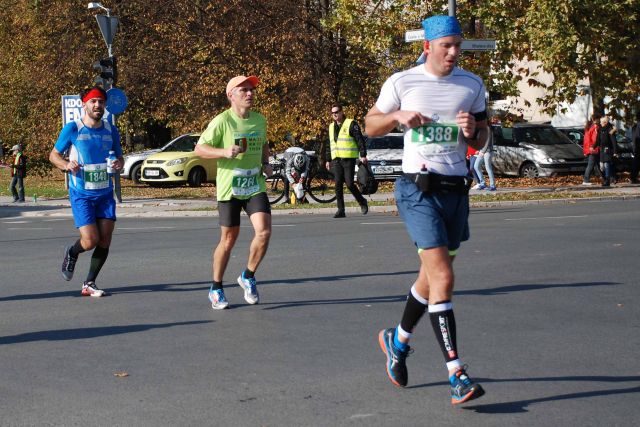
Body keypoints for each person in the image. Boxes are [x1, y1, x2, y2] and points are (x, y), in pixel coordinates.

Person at [365, 15, 488, 405]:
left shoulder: (472, 85)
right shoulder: (403, 82)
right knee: (444, 277)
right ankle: (457, 373)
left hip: (456, 190)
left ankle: (397, 341)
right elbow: (370, 125)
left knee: (431, 278)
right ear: (428, 48)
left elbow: (485, 137)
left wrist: (474, 132)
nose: (453, 53)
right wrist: (396, 117)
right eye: (446, 46)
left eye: (458, 46)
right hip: (417, 189)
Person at [194, 75, 273, 310]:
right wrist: (223, 151)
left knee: (264, 231)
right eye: (244, 90)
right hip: (230, 188)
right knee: (228, 240)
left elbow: (264, 143)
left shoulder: (259, 120)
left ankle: (248, 276)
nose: (250, 94)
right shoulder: (222, 121)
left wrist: (266, 162)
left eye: (251, 90)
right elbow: (199, 149)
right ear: (231, 96)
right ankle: (216, 287)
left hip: (254, 185)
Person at [49, 86, 123, 297]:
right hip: (82, 193)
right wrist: (65, 165)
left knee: (105, 239)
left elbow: (120, 158)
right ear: (84, 104)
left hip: (105, 193)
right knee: (90, 241)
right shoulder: (74, 128)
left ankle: (89, 282)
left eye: (101, 102)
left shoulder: (111, 130)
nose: (98, 105)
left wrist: (118, 163)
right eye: (93, 101)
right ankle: (72, 252)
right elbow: (53, 155)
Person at [325, 103, 369, 218]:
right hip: (336, 160)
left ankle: (362, 201)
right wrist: (328, 160)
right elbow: (329, 145)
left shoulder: (351, 124)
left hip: (348, 158)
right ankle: (341, 210)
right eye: (333, 113)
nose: (334, 114)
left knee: (349, 183)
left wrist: (363, 155)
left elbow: (360, 139)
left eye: (337, 112)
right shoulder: (331, 127)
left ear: (341, 112)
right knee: (338, 184)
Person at [593, 115, 617, 187]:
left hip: (607, 149)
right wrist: (593, 146)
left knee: (607, 164)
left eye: (601, 122)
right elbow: (598, 140)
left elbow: (613, 141)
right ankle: (609, 178)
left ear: (605, 122)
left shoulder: (610, 130)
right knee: (602, 166)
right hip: (601, 149)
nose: (600, 123)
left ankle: (607, 180)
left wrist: (615, 151)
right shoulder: (600, 129)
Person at [582, 113, 601, 185]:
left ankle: (606, 178)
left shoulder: (590, 127)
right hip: (593, 149)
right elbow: (590, 139)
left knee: (597, 164)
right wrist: (591, 147)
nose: (599, 120)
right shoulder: (593, 128)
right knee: (591, 164)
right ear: (595, 119)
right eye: (598, 119)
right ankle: (586, 180)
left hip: (593, 148)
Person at [629, 111, 640, 183]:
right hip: (638, 146)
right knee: (636, 163)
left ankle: (632, 178)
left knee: (636, 163)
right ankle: (633, 177)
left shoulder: (634, 126)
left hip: (636, 147)